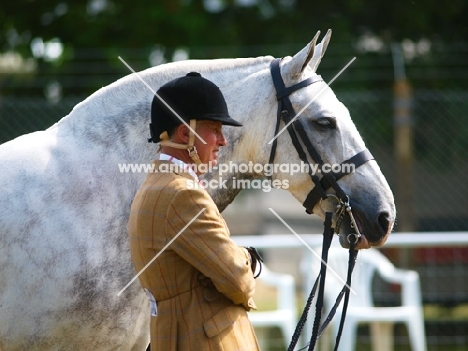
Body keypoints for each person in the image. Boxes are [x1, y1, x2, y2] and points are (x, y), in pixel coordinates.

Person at [129, 72, 261, 351]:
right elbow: (237, 279)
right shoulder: (182, 194)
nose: (223, 141)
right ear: (185, 133)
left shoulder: (155, 184)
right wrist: (247, 258)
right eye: (215, 128)